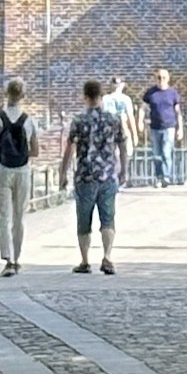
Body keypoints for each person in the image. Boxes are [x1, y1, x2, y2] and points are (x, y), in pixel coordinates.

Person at [60, 77, 126, 276]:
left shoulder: (79, 120)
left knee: (84, 219)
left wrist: (62, 172)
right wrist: (124, 169)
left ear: (85, 97)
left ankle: (85, 260)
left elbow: (69, 148)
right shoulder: (113, 119)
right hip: (107, 175)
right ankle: (107, 256)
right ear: (100, 96)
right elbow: (122, 145)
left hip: (85, 175)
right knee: (108, 218)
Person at [0, 79, 44, 276]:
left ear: (5, 93)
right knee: (19, 217)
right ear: (23, 95)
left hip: (1, 171)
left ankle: (7, 259)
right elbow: (35, 151)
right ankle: (17, 259)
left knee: (3, 216)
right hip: (22, 171)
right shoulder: (29, 120)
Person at [145, 70, 185, 186]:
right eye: (159, 77)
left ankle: (166, 177)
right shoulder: (151, 93)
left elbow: (178, 112)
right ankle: (159, 177)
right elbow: (143, 107)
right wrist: (140, 122)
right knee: (156, 154)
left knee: (166, 152)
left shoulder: (173, 93)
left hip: (169, 127)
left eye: (163, 77)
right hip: (155, 127)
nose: (161, 80)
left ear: (168, 79)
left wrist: (180, 128)